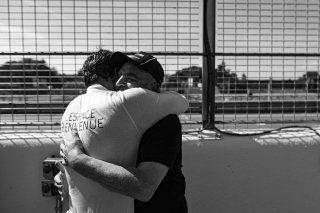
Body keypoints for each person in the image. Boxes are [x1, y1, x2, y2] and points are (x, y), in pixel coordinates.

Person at [59, 49, 188, 213]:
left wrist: (77, 160)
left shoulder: (165, 122)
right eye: (118, 75)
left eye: (130, 77)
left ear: (153, 86)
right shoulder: (115, 113)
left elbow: (143, 187)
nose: (119, 82)